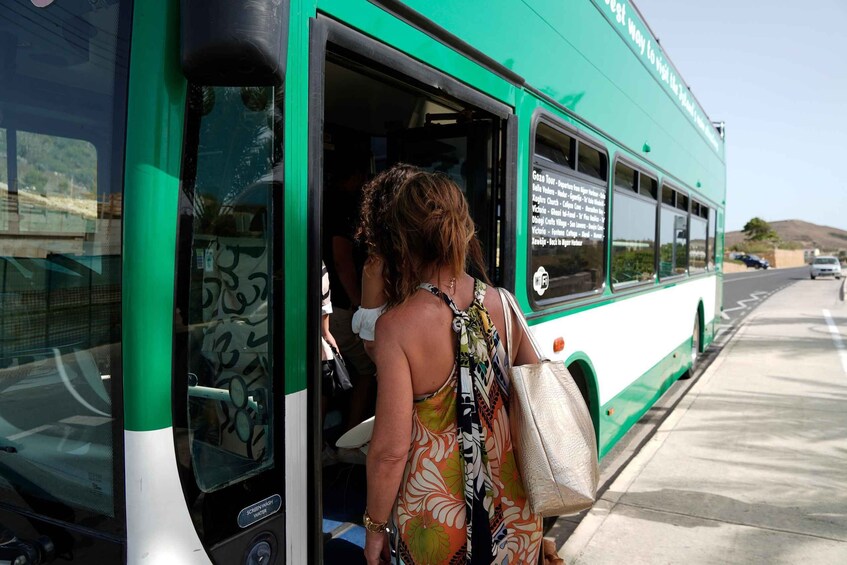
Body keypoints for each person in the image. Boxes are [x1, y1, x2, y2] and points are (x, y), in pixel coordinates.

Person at [357, 164, 543, 564]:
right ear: (464, 228)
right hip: (516, 514)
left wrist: (374, 529)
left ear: (402, 241)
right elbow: (538, 394)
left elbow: (390, 450)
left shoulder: (395, 328)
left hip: (437, 526)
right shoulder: (506, 304)